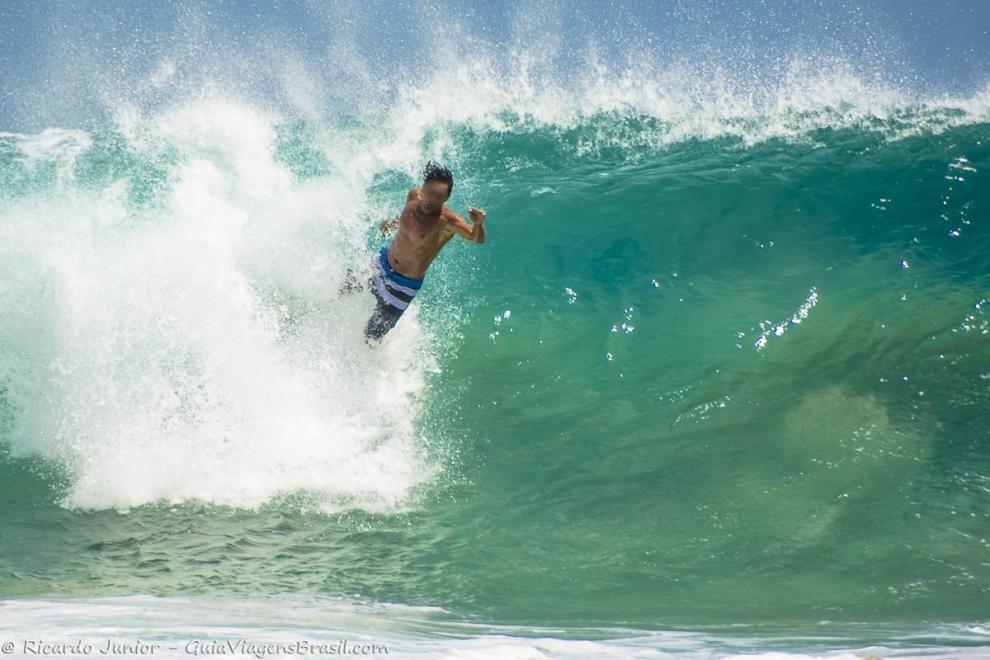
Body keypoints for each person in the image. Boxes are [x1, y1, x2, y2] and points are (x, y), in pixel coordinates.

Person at [339, 160, 487, 344]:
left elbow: (476, 238)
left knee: (372, 337)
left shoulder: (447, 221)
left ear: (445, 199)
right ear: (423, 188)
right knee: (344, 289)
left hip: (403, 287)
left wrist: (478, 224)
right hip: (382, 263)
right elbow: (406, 220)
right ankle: (311, 318)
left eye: (438, 196)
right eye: (429, 192)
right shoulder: (413, 196)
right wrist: (391, 224)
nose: (431, 200)